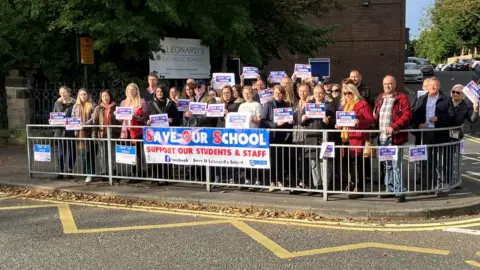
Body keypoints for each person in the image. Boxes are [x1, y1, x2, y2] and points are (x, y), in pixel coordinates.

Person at [411, 77, 455, 195]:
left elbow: (452, 117)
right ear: (427, 87)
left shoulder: (446, 99)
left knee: (440, 162)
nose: (433, 87)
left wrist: (438, 118)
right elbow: (415, 116)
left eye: (435, 85)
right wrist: (419, 124)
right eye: (430, 85)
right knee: (426, 161)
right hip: (425, 133)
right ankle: (427, 187)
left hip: (439, 133)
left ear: (439, 86)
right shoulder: (421, 99)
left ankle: (440, 186)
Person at [373, 75, 412, 203]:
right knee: (387, 165)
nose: (387, 86)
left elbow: (407, 115)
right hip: (382, 138)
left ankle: (399, 191)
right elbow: (376, 116)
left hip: (395, 137)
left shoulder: (401, 98)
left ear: (395, 84)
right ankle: (389, 189)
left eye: (390, 83)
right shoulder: (380, 98)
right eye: (385, 84)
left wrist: (394, 127)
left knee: (396, 165)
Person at [339, 83, 374, 199]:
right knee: (349, 163)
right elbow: (343, 121)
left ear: (354, 92)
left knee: (358, 164)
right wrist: (339, 125)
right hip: (347, 138)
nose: (347, 95)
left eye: (349, 93)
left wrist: (359, 122)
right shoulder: (345, 106)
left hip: (358, 138)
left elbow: (370, 120)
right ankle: (353, 183)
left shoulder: (362, 104)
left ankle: (359, 187)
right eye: (345, 93)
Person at [301, 84, 336, 190]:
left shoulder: (330, 105)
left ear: (324, 94)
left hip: (325, 138)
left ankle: (326, 186)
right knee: (314, 163)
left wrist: (329, 121)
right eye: (316, 93)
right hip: (311, 138)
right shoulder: (308, 105)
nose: (318, 95)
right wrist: (304, 118)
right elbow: (300, 122)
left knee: (325, 163)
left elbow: (336, 121)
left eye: (320, 93)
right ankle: (317, 185)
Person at [261, 85, 294, 191]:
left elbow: (288, 122)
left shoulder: (286, 105)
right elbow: (263, 121)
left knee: (280, 159)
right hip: (272, 136)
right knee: (272, 159)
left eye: (280, 93)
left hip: (282, 136)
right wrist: (275, 124)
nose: (278, 95)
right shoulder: (268, 105)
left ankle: (279, 181)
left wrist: (290, 122)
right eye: (276, 93)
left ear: (283, 94)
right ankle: (272, 181)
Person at [145, 85, 180, 184]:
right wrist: (147, 121)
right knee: (156, 156)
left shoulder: (171, 104)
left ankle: (167, 177)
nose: (159, 93)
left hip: (167, 134)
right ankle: (156, 177)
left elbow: (178, 118)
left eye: (161, 91)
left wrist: (172, 119)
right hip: (155, 134)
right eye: (157, 91)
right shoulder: (151, 104)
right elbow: (146, 116)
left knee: (166, 156)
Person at [450, 84, 479, 188]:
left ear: (463, 95)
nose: (455, 94)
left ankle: (455, 179)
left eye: (458, 92)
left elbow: (472, 120)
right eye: (453, 91)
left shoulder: (465, 106)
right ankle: (444, 178)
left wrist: (475, 110)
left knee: (455, 158)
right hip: (442, 134)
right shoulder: (445, 102)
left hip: (456, 134)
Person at [214, 85, 244, 184]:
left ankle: (232, 177)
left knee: (231, 156)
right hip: (219, 132)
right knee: (218, 156)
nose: (226, 95)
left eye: (228, 93)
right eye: (224, 93)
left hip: (231, 133)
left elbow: (239, 117)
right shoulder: (218, 104)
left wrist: (229, 113)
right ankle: (218, 177)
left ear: (231, 93)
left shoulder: (236, 104)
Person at [120, 83, 147, 179]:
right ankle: (132, 173)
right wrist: (117, 115)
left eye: (133, 89)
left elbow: (144, 117)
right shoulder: (123, 102)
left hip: (137, 131)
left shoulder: (141, 101)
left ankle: (139, 173)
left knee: (138, 153)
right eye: (129, 90)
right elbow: (120, 119)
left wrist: (136, 116)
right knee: (130, 153)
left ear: (136, 90)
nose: (131, 91)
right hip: (126, 130)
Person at [92, 89, 120, 179]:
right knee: (103, 154)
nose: (105, 98)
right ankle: (105, 172)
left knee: (112, 154)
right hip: (102, 134)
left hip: (113, 133)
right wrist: (94, 134)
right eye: (103, 96)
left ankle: (113, 171)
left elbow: (120, 121)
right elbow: (95, 121)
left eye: (107, 96)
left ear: (110, 96)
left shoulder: (116, 107)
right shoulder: (98, 108)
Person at [238, 86, 263, 187]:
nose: (247, 95)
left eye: (249, 93)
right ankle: (247, 178)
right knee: (246, 158)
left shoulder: (256, 104)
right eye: (245, 93)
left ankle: (257, 179)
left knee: (255, 158)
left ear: (252, 94)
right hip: (244, 135)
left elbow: (259, 120)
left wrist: (254, 121)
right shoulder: (241, 106)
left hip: (254, 134)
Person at [71, 88, 97, 183]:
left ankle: (90, 173)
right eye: (81, 94)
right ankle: (86, 172)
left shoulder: (93, 104)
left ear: (88, 95)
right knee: (83, 154)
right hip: (80, 133)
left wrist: (85, 124)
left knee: (89, 153)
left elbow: (94, 117)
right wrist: (77, 123)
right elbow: (73, 117)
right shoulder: (76, 106)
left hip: (90, 132)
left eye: (84, 94)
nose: (83, 96)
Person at [52, 86, 76, 179]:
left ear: (69, 93)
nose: (63, 94)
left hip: (71, 131)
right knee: (61, 152)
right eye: (61, 93)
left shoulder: (74, 103)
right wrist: (53, 122)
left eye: (65, 92)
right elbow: (54, 115)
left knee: (72, 152)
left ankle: (70, 170)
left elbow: (76, 116)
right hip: (60, 131)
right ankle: (61, 170)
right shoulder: (57, 103)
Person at [291, 83, 312, 190]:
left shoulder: (311, 104)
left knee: (307, 160)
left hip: (308, 135)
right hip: (296, 135)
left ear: (309, 92)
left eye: (305, 91)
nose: (302, 93)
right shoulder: (295, 104)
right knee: (298, 160)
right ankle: (299, 181)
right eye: (300, 91)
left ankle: (307, 182)